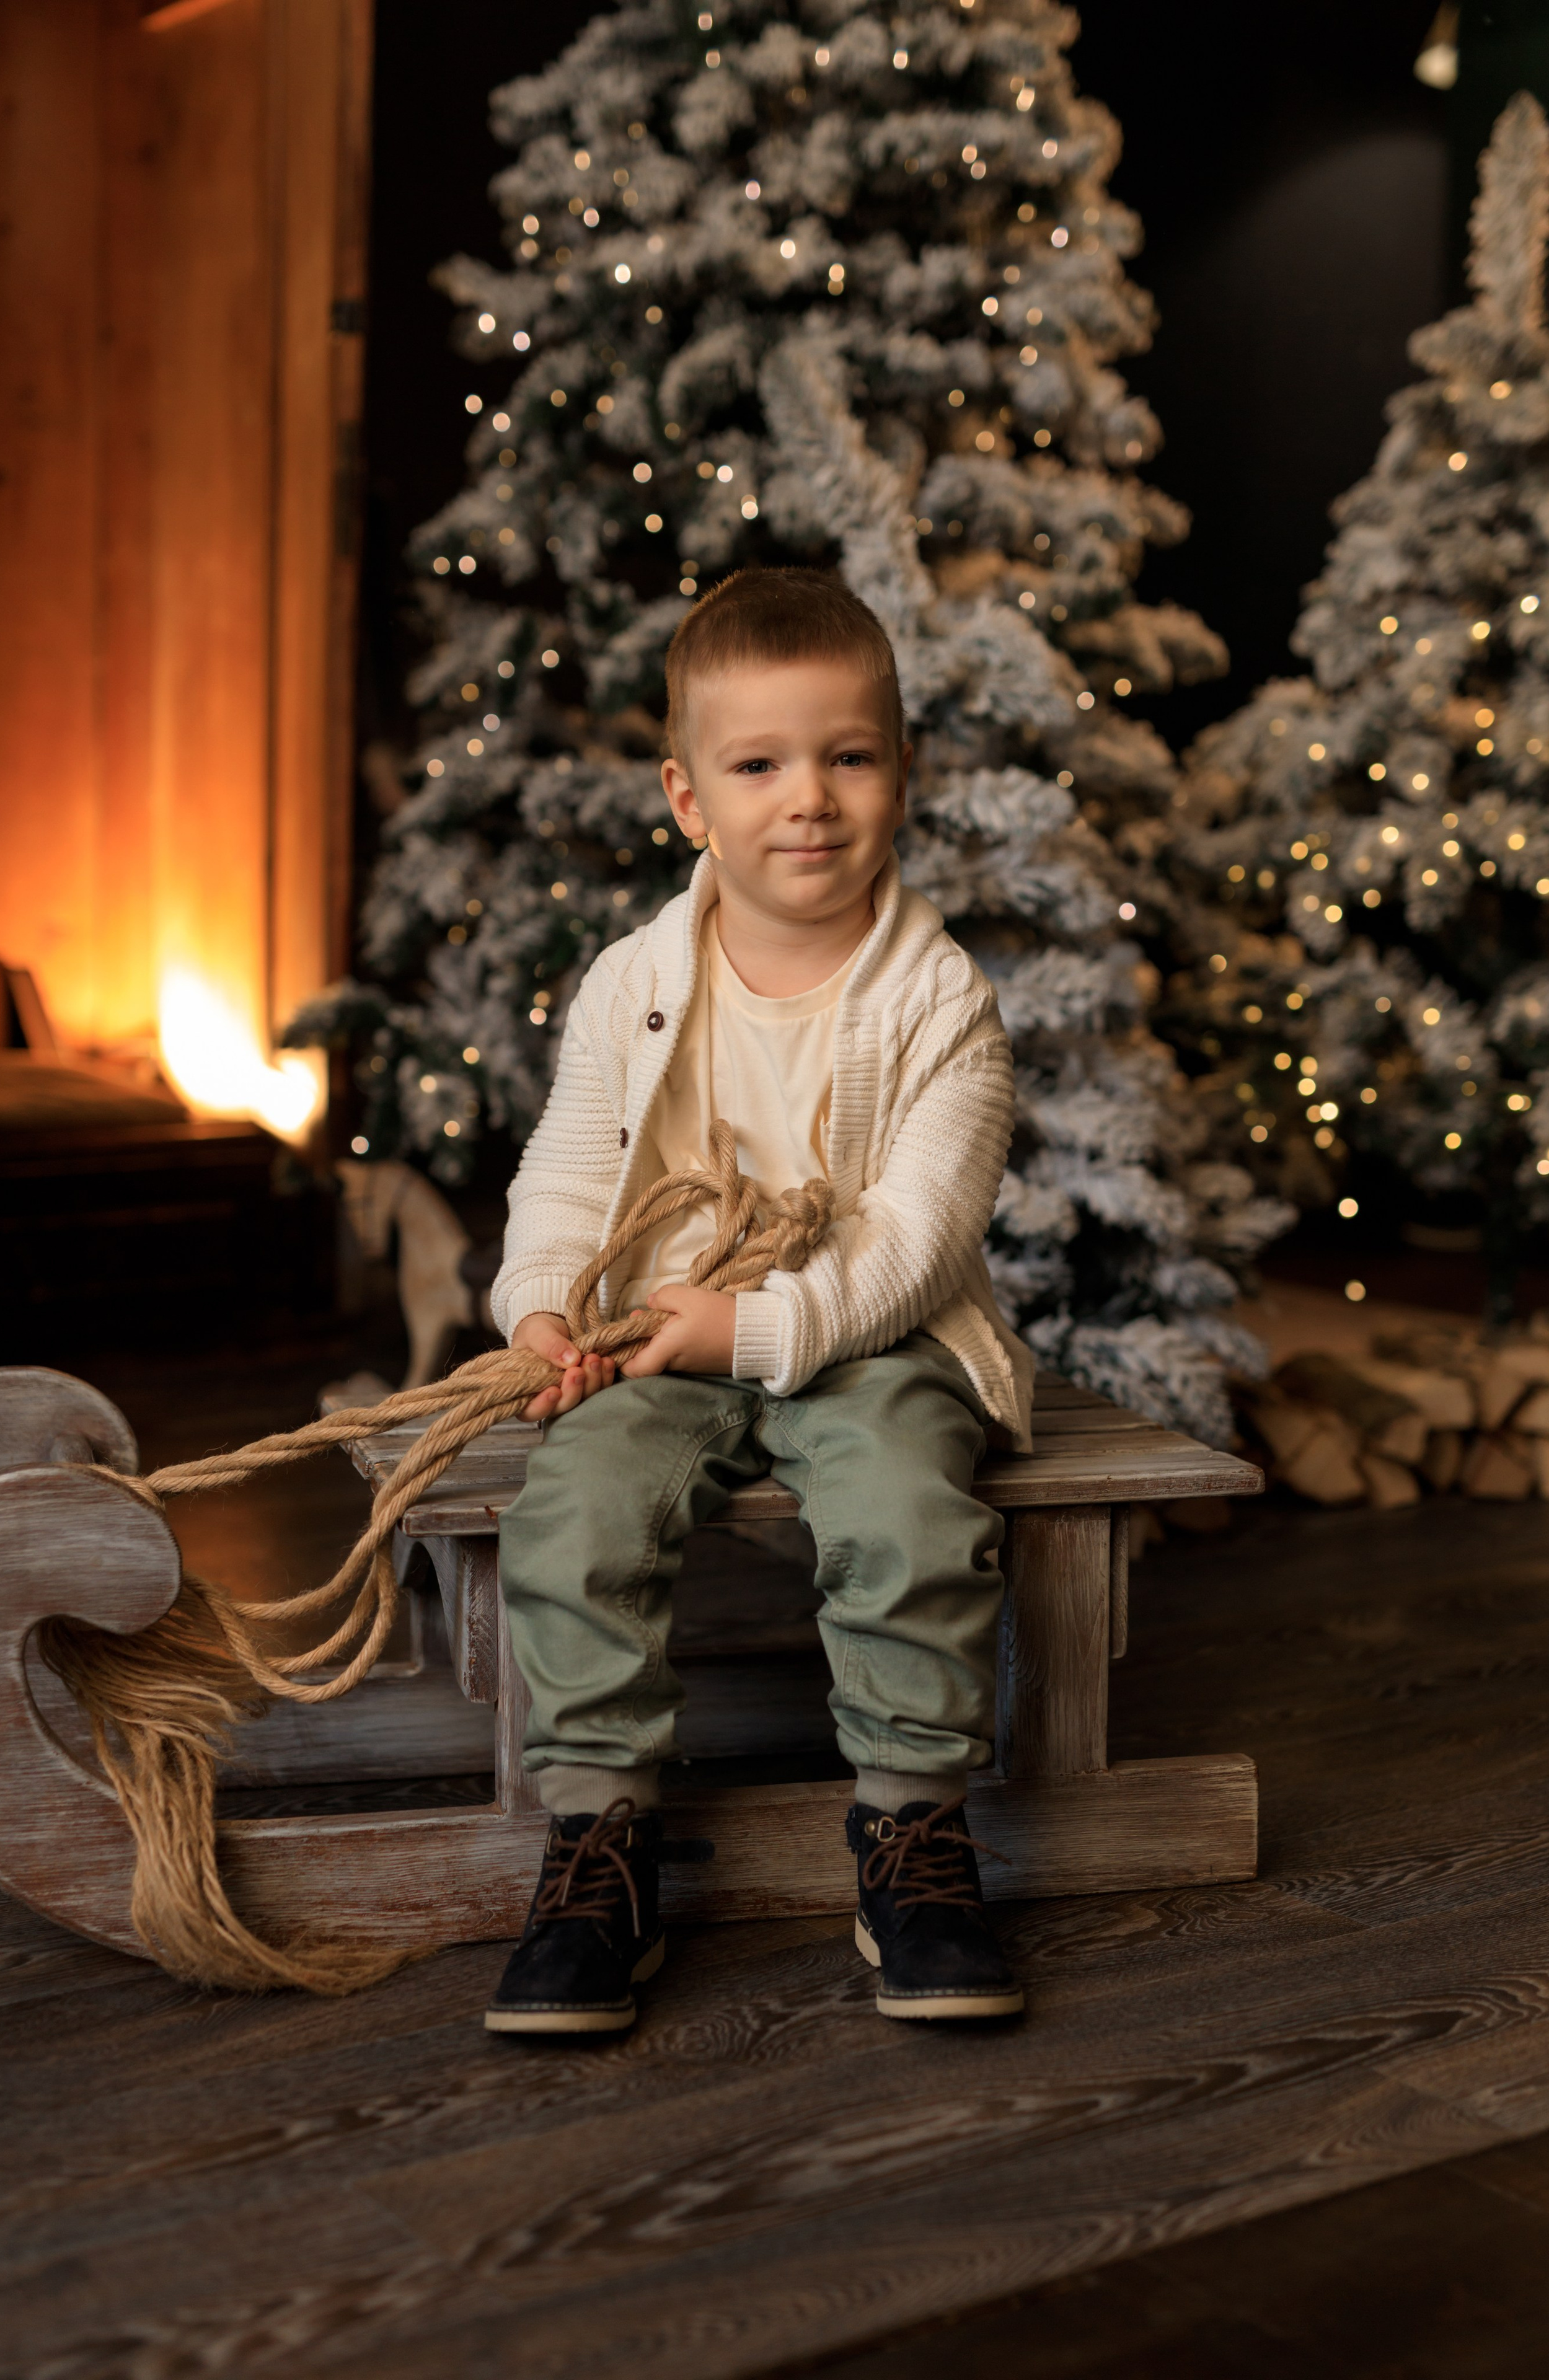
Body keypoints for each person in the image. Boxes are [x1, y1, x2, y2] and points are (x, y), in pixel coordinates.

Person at [483, 566, 1035, 2036]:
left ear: (901, 770)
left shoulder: (939, 1000)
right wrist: (543, 1311)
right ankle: (599, 1838)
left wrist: (758, 1327)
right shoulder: (632, 984)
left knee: (909, 1509)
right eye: (757, 766)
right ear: (687, 798)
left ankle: (911, 1830)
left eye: (847, 756)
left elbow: (914, 1241)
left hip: (874, 1333)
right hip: (664, 1325)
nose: (808, 800)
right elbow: (569, 1172)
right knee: (576, 1505)